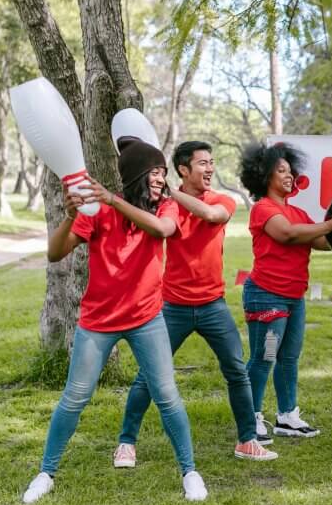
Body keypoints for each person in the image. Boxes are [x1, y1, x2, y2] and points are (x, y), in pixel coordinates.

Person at [23, 139, 207, 504]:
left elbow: (163, 230)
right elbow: (55, 251)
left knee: (167, 396)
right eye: (155, 173)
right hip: (98, 320)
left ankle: (190, 472)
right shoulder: (99, 211)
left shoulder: (164, 207)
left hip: (146, 318)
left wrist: (111, 200)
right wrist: (73, 213)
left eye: (163, 173)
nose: (161, 179)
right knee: (75, 397)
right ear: (138, 175)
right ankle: (45, 473)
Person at [114, 141, 277, 468]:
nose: (210, 169)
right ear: (184, 170)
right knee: (148, 375)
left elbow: (209, 215)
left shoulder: (222, 200)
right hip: (172, 306)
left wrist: (171, 193)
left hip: (213, 306)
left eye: (212, 162)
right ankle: (126, 444)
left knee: (236, 372)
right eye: (203, 163)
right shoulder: (165, 208)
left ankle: (247, 440)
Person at [238, 142, 332, 440]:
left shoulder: (299, 213)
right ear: (265, 176)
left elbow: (320, 242)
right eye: (281, 171)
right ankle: (251, 417)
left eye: (290, 171)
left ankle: (287, 417)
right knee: (265, 356)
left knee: (289, 358)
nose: (289, 176)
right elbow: (288, 234)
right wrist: (329, 225)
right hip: (267, 296)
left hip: (294, 297)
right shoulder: (263, 209)